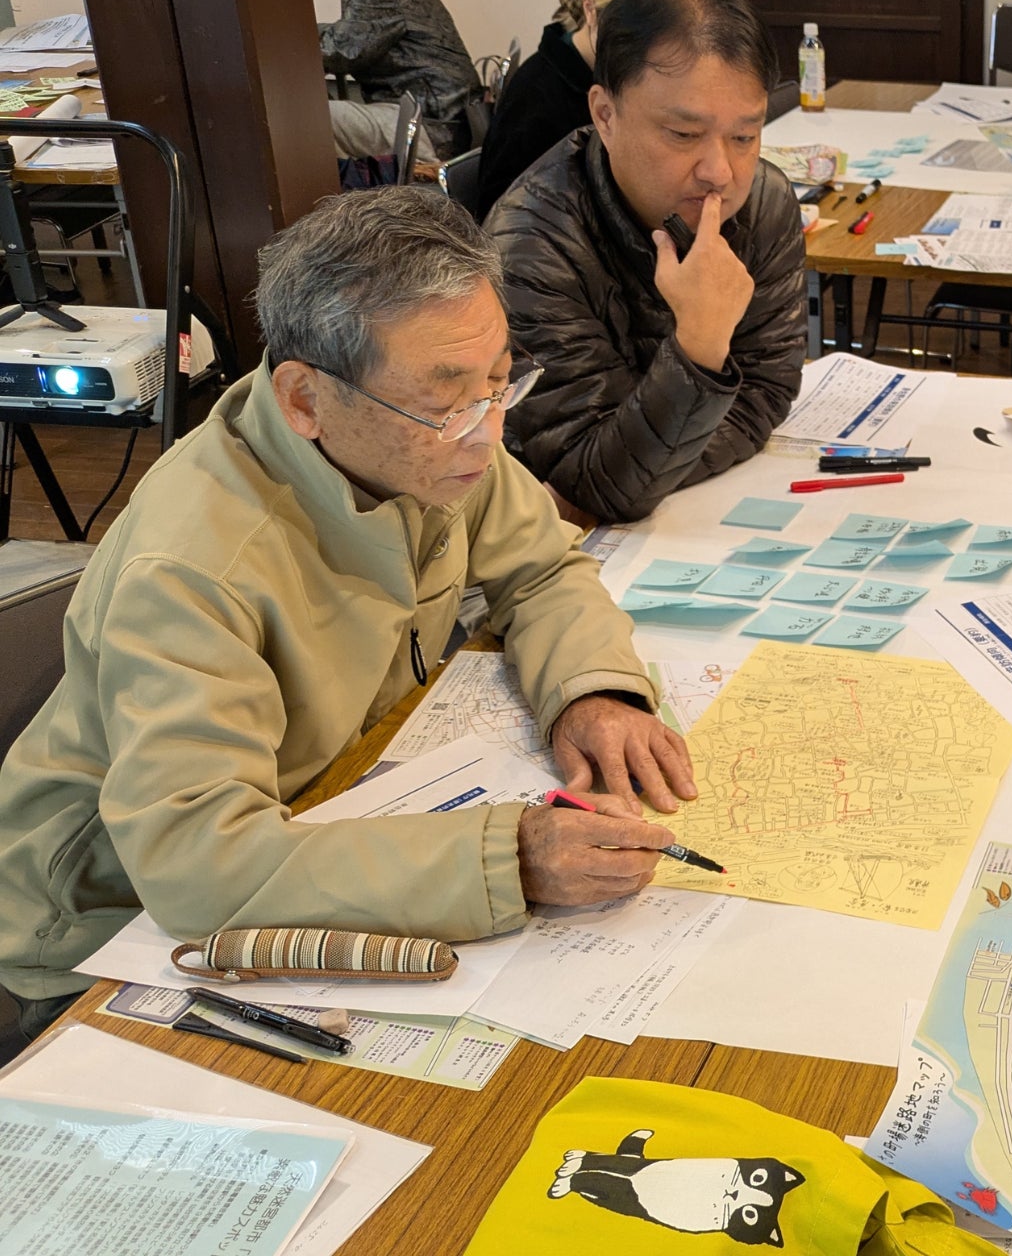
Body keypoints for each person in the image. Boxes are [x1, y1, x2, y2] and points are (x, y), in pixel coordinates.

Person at [0, 188, 698, 1064]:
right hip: (109, 936)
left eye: (501, 382)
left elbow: (543, 567)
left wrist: (591, 691)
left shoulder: (415, 437)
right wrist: (510, 861)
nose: (487, 435)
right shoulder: (191, 567)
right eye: (448, 403)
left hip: (327, 802)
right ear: (303, 399)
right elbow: (196, 868)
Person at [488, 0, 806, 526]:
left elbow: (767, 393)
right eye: (683, 134)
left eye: (744, 136)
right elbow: (597, 483)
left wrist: (652, 462)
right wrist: (701, 345)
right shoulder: (530, 247)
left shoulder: (764, 203)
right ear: (605, 116)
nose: (720, 172)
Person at [475, 0, 645, 221]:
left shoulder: (609, 75)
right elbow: (499, 215)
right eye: (625, 32)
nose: (640, 50)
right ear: (589, 8)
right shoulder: (537, 98)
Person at [321, 0, 483, 160]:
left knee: (317, 118)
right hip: (432, 118)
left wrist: (298, 39)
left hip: (433, 127)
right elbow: (346, 34)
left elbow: (342, 51)